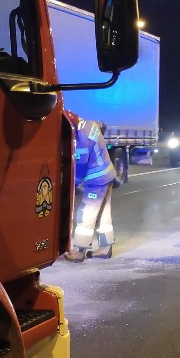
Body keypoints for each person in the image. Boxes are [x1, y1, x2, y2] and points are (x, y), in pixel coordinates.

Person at [64, 110, 116, 261]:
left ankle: (79, 251)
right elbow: (102, 125)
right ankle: (105, 248)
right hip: (108, 173)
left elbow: (80, 168)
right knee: (103, 212)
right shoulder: (90, 124)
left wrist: (73, 184)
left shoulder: (82, 141)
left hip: (97, 180)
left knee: (86, 212)